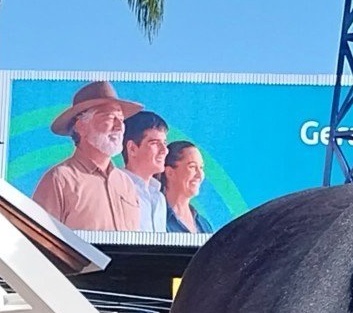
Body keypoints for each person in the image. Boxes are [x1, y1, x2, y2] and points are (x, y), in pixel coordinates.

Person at [31, 81, 143, 232]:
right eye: (109, 118)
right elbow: (39, 240)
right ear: (81, 126)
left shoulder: (126, 183)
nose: (119, 127)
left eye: (121, 119)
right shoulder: (60, 180)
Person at [120, 110, 171, 233]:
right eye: (154, 143)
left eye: (164, 143)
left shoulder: (159, 198)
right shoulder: (116, 190)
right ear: (132, 148)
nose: (165, 150)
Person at [160, 140, 215, 234]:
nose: (200, 175)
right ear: (170, 173)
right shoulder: (157, 218)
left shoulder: (204, 225)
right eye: (192, 167)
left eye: (201, 167)